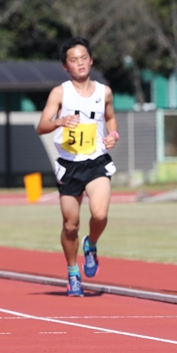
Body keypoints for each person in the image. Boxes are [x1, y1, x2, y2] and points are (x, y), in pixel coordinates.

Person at [36, 37, 119, 296]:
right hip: (69, 165)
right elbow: (41, 126)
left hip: (96, 161)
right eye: (74, 60)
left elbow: (111, 118)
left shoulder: (104, 91)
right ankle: (73, 272)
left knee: (100, 213)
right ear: (65, 65)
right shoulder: (60, 93)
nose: (80, 63)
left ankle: (91, 244)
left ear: (91, 60)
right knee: (70, 225)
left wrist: (112, 136)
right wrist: (60, 122)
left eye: (84, 58)